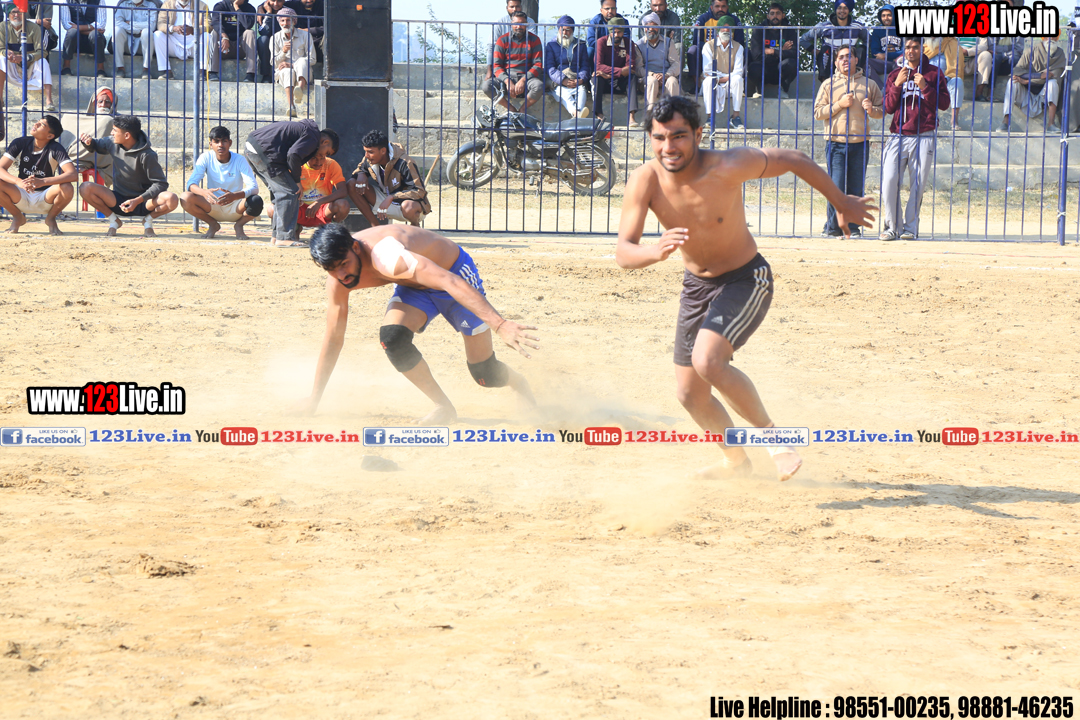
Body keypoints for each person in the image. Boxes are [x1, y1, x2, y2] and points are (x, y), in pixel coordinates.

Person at [616, 96, 876, 481]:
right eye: (659, 138)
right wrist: (653, 252)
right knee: (689, 394)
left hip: (745, 279)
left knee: (708, 362)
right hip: (696, 287)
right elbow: (624, 252)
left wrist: (839, 201)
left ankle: (776, 441)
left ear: (698, 134)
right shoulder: (645, 180)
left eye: (678, 136)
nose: (668, 147)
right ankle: (736, 462)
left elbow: (794, 159)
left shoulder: (728, 165)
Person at [295, 222, 538, 423]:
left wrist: (500, 324)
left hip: (453, 274)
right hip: (415, 286)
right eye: (331, 269)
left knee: (485, 375)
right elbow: (334, 338)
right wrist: (314, 398)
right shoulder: (338, 280)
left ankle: (518, 382)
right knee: (392, 338)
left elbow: (448, 281)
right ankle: (443, 407)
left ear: (356, 248)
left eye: (343, 264)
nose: (341, 275)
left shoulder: (387, 257)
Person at [880, 37, 948, 241]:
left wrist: (925, 87)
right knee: (889, 181)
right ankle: (892, 227)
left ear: (921, 49)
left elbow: (945, 103)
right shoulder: (895, 74)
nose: (911, 51)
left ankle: (910, 228)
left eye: (915, 47)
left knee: (917, 185)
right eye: (908, 47)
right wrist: (897, 85)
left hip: (923, 134)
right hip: (897, 135)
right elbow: (888, 107)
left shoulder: (934, 73)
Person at [814, 45, 883, 237]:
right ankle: (833, 227)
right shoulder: (828, 84)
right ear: (836, 62)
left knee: (855, 187)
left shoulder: (869, 84)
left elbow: (882, 110)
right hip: (835, 142)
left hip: (860, 143)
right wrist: (839, 104)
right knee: (835, 187)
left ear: (856, 60)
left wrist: (872, 110)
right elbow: (817, 113)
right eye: (841, 57)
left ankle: (853, 227)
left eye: (849, 56)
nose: (845, 60)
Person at [78, 114, 178, 237]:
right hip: (118, 201)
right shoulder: (112, 142)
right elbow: (96, 145)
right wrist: (88, 142)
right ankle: (114, 221)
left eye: (115, 130)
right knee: (85, 188)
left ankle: (148, 221)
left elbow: (161, 184)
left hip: (144, 202)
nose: (111, 133)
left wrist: (137, 200)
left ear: (127, 135)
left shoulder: (147, 155)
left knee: (171, 199)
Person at [242, 119, 336, 247]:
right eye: (328, 152)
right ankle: (284, 237)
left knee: (279, 193)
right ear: (325, 142)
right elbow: (293, 155)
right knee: (291, 192)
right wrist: (297, 181)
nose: (324, 156)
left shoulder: (306, 131)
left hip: (252, 148)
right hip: (265, 151)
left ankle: (276, 237)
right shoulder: (313, 138)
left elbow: (290, 156)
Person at [332, 129, 431, 227]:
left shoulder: (405, 162)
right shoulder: (369, 159)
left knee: (409, 207)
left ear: (383, 151)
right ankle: (376, 227)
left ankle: (415, 226)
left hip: (406, 206)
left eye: (370, 152)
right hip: (384, 199)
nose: (366, 155)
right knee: (352, 184)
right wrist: (361, 174)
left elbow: (419, 191)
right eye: (365, 151)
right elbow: (359, 170)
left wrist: (392, 197)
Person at [180, 125, 262, 239]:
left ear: (230, 143)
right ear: (211, 144)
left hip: (235, 205)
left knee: (256, 201)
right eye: (216, 141)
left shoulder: (240, 159)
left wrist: (234, 196)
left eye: (224, 141)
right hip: (212, 204)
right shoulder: (205, 157)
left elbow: (254, 187)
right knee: (185, 197)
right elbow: (191, 184)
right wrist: (204, 193)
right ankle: (212, 224)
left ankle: (239, 225)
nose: (220, 145)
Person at [0, 115, 75, 235]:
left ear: (50, 136)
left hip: (45, 197)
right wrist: (18, 181)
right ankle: (17, 217)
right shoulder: (20, 142)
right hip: (21, 194)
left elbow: (72, 174)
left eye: (42, 125)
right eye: (37, 122)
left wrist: (43, 181)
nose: (36, 124)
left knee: (67, 187)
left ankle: (51, 218)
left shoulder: (56, 148)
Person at [267, 128, 348, 238]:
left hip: (322, 210)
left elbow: (343, 191)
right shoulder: (296, 166)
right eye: (314, 158)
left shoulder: (331, 164)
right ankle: (294, 228)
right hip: (299, 210)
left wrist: (319, 202)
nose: (319, 162)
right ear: (307, 155)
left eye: (322, 157)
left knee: (343, 205)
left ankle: (331, 230)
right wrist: (296, 200)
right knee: (272, 209)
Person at [998, 33, 1066, 133]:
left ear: (1057, 38)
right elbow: (1016, 72)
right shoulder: (1031, 51)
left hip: (1043, 96)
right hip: (1026, 94)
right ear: (1043, 37)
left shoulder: (1060, 54)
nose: (1051, 39)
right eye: (1048, 36)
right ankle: (1005, 122)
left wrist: (1026, 80)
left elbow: (1053, 76)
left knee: (1053, 83)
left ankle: (1051, 124)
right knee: (1012, 82)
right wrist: (1038, 76)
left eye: (1054, 36)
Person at [482, 10, 543, 112]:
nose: (519, 26)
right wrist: (507, 81)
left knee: (539, 86)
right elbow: (497, 66)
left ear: (527, 24)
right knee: (486, 86)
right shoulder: (502, 40)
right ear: (511, 24)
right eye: (516, 24)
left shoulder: (534, 40)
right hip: (507, 76)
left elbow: (538, 65)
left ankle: (522, 110)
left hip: (527, 78)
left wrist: (523, 80)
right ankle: (511, 109)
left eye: (522, 24)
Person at [0, 3, 56, 111]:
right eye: (13, 12)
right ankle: (0, 100)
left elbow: (42, 51)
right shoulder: (2, 27)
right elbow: (0, 48)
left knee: (43, 62)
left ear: (24, 14)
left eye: (19, 12)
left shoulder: (34, 27)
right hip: (13, 67)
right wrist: (7, 53)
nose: (16, 15)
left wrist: (25, 57)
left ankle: (49, 101)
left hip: (30, 68)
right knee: (1, 59)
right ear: (8, 14)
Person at [798, 0, 868, 82]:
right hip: (831, 60)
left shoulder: (857, 26)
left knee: (861, 51)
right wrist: (815, 51)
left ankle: (855, 80)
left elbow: (869, 40)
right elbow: (803, 39)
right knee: (825, 50)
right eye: (839, 8)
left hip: (848, 60)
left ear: (849, 10)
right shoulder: (824, 26)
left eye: (845, 8)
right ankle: (826, 84)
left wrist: (862, 49)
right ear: (835, 9)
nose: (842, 11)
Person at [59, 86, 115, 186]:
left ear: (113, 104)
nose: (103, 105)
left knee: (108, 120)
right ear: (94, 103)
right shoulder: (84, 119)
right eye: (100, 101)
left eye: (108, 102)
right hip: (74, 152)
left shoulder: (116, 120)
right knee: (67, 116)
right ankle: (76, 159)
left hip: (102, 156)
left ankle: (83, 161)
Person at [687, 0, 744, 94]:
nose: (720, 9)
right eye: (717, 6)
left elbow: (740, 41)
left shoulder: (734, 20)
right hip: (708, 51)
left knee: (745, 52)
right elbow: (696, 41)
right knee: (692, 50)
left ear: (727, 7)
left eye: (723, 6)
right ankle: (698, 86)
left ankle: (739, 87)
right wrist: (711, 47)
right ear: (712, 7)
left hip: (729, 51)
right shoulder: (703, 19)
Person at [593, 16, 641, 126]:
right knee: (597, 78)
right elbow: (598, 66)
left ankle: (632, 117)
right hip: (605, 81)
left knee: (632, 77)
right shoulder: (601, 42)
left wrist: (610, 75)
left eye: (619, 32)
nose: (616, 35)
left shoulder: (629, 43)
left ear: (623, 32)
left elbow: (631, 67)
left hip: (620, 81)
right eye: (613, 32)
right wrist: (620, 71)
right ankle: (599, 115)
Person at [974, 0, 1023, 102]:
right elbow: (990, 46)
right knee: (996, 58)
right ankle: (990, 92)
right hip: (995, 61)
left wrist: (1004, 52)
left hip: (1009, 60)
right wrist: (1006, 50)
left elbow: (1019, 48)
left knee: (1015, 59)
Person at [747, 2, 798, 99]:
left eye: (778, 13)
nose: (775, 16)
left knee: (791, 63)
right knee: (754, 66)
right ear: (768, 16)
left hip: (780, 71)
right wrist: (782, 52)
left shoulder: (789, 30)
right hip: (763, 69)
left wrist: (772, 52)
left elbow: (794, 54)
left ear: (783, 15)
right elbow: (756, 56)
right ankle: (759, 91)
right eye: (772, 13)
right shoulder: (759, 30)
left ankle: (783, 90)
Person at [702, 16, 744, 130]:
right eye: (723, 28)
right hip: (714, 83)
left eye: (728, 28)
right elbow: (707, 71)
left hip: (729, 84)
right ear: (718, 29)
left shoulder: (738, 47)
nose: (725, 30)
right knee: (708, 81)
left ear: (732, 31)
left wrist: (721, 79)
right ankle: (710, 118)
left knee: (738, 79)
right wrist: (720, 78)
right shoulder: (708, 46)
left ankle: (735, 117)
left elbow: (738, 71)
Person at [271, 6, 314, 118]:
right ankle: (291, 107)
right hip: (284, 74)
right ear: (279, 22)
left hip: (303, 72)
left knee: (302, 61)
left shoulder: (306, 35)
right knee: (287, 71)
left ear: (294, 21)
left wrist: (293, 65)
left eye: (288, 20)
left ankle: (299, 88)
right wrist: (283, 52)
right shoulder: (274, 38)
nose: (285, 23)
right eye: (282, 20)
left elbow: (312, 59)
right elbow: (273, 62)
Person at [545, 15, 591, 119]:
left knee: (582, 91)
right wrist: (563, 80)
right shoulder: (551, 45)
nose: (565, 33)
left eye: (568, 30)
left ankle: (577, 115)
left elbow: (585, 65)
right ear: (558, 29)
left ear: (572, 31)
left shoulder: (581, 44)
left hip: (576, 78)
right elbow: (550, 67)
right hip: (558, 81)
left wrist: (581, 79)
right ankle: (577, 114)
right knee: (563, 93)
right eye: (562, 30)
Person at [924, 36, 975, 130]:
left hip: (945, 80)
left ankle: (954, 120)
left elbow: (956, 68)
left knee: (958, 81)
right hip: (926, 81)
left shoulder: (953, 44)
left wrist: (944, 80)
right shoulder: (923, 47)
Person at [154, 0, 212, 80]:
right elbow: (160, 24)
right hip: (174, 44)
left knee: (206, 36)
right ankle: (166, 71)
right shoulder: (167, 4)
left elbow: (208, 26)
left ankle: (202, 72)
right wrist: (173, 28)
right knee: (157, 35)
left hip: (194, 45)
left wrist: (193, 30)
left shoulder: (202, 5)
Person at [636, 12, 680, 113]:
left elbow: (676, 64)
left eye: (654, 26)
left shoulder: (668, 42)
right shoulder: (639, 45)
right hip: (648, 78)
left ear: (659, 27)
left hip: (666, 76)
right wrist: (652, 75)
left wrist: (666, 75)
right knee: (652, 81)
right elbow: (638, 68)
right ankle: (649, 114)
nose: (651, 29)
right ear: (644, 28)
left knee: (673, 81)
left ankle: (672, 114)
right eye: (648, 27)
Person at [483, 0, 535, 84]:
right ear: (507, 8)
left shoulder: (529, 22)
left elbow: (532, 42)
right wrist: (489, 70)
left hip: (524, 64)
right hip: (502, 63)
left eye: (517, 6)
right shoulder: (499, 23)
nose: (515, 9)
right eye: (512, 7)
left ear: (521, 7)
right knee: (488, 85)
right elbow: (491, 46)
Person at [207, 0, 258, 81]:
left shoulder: (249, 8)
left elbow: (247, 25)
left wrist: (236, 7)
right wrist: (224, 37)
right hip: (223, 48)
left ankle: (250, 74)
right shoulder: (220, 6)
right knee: (214, 32)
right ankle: (212, 72)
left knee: (250, 32)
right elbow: (216, 23)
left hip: (240, 48)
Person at [58, 0, 106, 77]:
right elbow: (67, 25)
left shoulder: (100, 1)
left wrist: (79, 28)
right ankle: (66, 67)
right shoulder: (65, 1)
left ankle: (100, 69)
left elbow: (101, 24)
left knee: (95, 35)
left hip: (93, 42)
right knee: (72, 32)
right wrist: (91, 29)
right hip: (75, 43)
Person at [113, 0, 158, 79]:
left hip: (142, 44)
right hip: (126, 43)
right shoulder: (123, 4)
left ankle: (146, 69)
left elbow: (151, 25)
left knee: (147, 32)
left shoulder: (151, 5)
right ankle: (120, 68)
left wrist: (130, 23)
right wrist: (135, 30)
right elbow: (118, 22)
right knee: (117, 30)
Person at [867, 3, 901, 87]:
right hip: (884, 63)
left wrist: (885, 55)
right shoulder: (877, 30)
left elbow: (905, 50)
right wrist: (889, 56)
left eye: (889, 15)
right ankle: (881, 88)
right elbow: (875, 51)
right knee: (867, 63)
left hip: (899, 62)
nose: (886, 18)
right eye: (883, 15)